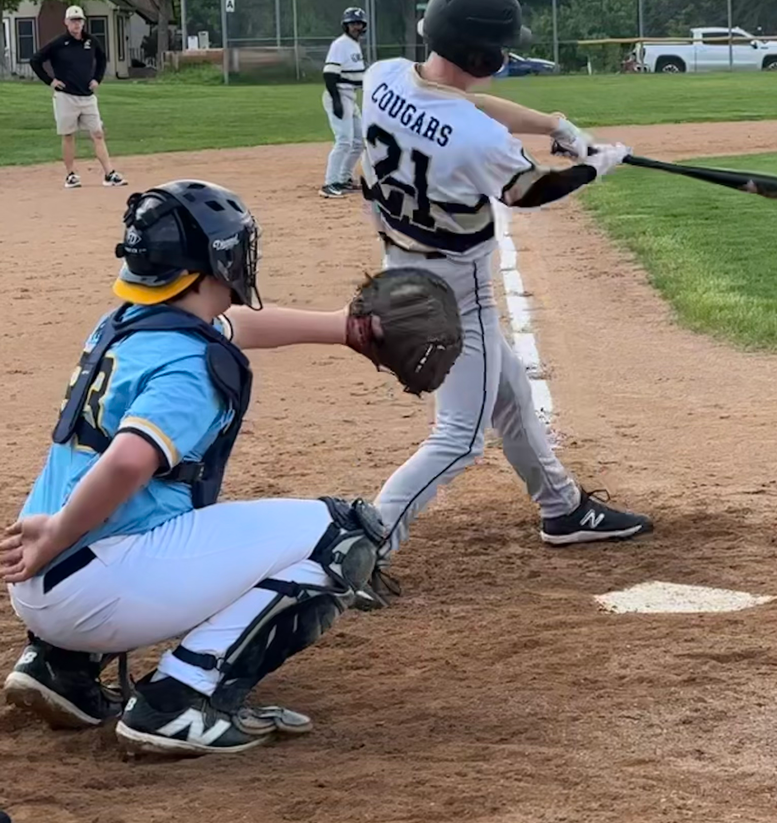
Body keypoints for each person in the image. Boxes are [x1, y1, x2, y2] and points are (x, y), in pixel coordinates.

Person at [1, 179, 462, 758]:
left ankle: (59, 668)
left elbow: (232, 328)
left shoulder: (128, 322)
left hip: (49, 582)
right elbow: (128, 462)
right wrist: (62, 530)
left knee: (150, 515)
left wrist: (343, 329)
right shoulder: (192, 366)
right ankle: (181, 702)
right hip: (93, 581)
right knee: (344, 534)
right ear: (216, 262)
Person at [358, 0, 652, 584]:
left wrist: (555, 125)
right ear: (489, 58)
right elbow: (529, 189)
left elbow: (459, 102)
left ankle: (562, 508)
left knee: (511, 392)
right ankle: (362, 550)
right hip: (456, 295)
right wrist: (596, 165)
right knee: (460, 438)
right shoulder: (478, 142)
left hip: (400, 270)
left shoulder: (381, 76)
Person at [29, 5, 126, 189]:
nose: (76, 24)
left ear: (83, 22)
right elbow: (35, 60)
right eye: (73, 21)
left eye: (79, 20)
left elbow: (102, 59)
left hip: (87, 96)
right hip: (66, 96)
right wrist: (50, 81)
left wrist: (97, 78)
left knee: (97, 133)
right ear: (66, 22)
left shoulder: (91, 41)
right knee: (68, 135)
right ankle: (71, 174)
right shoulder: (59, 43)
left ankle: (109, 173)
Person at [320, 7, 368, 199]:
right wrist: (337, 101)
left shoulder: (354, 45)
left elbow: (355, 75)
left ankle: (344, 178)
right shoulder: (340, 44)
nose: (356, 27)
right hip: (338, 95)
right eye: (352, 24)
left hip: (350, 97)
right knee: (344, 141)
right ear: (345, 26)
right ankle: (329, 183)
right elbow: (330, 74)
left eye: (359, 23)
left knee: (358, 142)